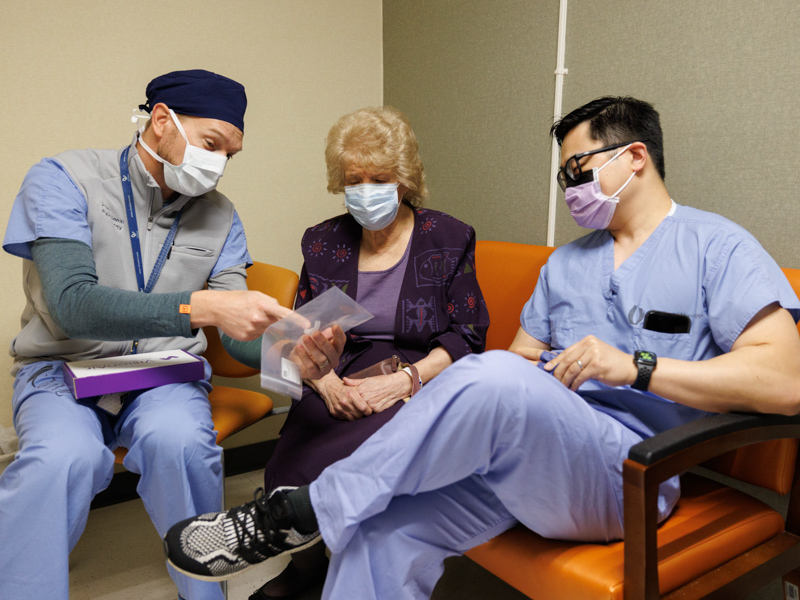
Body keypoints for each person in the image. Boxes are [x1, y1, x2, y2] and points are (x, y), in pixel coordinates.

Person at [164, 96, 800, 600]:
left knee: (488, 370)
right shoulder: (568, 264)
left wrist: (635, 366)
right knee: (381, 532)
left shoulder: (717, 247)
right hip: (527, 459)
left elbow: (785, 381)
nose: (569, 185)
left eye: (578, 169)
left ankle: (301, 512)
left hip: (629, 472)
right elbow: (522, 364)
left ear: (634, 157)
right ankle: (314, 516)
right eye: (563, 175)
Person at [0, 70, 343, 600]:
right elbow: (72, 306)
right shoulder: (63, 179)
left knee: (180, 444)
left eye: (232, 154)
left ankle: (204, 593)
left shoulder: (222, 215)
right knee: (61, 459)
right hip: (62, 369)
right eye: (212, 144)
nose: (220, 164)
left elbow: (237, 337)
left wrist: (291, 354)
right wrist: (198, 306)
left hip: (164, 374)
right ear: (162, 121)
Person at [217, 105, 488, 599]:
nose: (365, 191)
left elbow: (468, 334)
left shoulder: (448, 238)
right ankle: (304, 568)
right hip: (339, 368)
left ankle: (347, 563)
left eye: (379, 177)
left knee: (373, 443)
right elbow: (299, 333)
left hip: (420, 370)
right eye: (353, 180)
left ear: (404, 179)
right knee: (296, 449)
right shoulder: (324, 242)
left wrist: (406, 379)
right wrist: (324, 382)